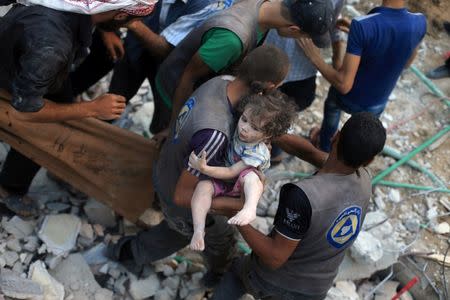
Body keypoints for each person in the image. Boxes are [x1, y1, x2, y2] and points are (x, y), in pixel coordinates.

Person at [107, 46, 326, 285]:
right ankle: (132, 254)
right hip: (179, 192)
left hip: (169, 166)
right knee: (203, 234)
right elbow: (182, 197)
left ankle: (129, 250)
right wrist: (236, 205)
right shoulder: (215, 134)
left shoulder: (222, 83)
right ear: (271, 86)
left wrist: (319, 158)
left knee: (180, 227)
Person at [0, 0, 155, 216]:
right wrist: (91, 109)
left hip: (28, 52)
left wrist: (105, 30)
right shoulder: (51, 48)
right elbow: (25, 111)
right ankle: (9, 189)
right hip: (15, 79)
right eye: (133, 21)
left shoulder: (73, 13)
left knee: (103, 55)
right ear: (119, 16)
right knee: (51, 128)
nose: (132, 26)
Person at [212, 112, 387, 300]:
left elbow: (274, 257)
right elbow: (309, 152)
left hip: (275, 282)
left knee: (237, 273)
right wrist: (267, 130)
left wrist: (237, 214)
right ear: (369, 161)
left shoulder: (303, 197)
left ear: (335, 136)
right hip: (316, 290)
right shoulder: (364, 180)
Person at [150, 0, 334, 137]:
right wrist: (175, 126)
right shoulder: (232, 39)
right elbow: (187, 76)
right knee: (166, 145)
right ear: (294, 29)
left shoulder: (265, 9)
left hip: (201, 86)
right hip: (175, 95)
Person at [298, 0, 426, 152]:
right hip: (378, 101)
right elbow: (406, 63)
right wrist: (360, 36)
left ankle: (325, 146)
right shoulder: (419, 21)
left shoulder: (364, 25)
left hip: (347, 98)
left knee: (332, 109)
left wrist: (315, 58)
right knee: (359, 138)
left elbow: (344, 85)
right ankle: (344, 158)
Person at [188, 92, 297, 251]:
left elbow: (232, 171)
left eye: (254, 127)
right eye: (244, 119)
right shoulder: (241, 132)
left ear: (267, 135)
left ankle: (250, 208)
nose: (244, 128)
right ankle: (198, 229)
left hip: (239, 185)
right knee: (202, 188)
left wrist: (204, 168)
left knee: (252, 177)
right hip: (223, 180)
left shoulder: (257, 152)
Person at [70, 0, 235, 102]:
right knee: (116, 96)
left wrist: (130, 20)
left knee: (162, 122)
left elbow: (164, 50)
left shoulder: (209, 4)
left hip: (170, 64)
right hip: (133, 47)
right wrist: (108, 29)